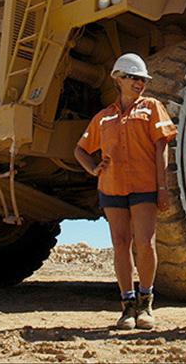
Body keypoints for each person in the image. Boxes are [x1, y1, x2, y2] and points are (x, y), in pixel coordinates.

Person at [74, 53, 177, 330]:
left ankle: (145, 302)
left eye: (142, 79)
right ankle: (127, 305)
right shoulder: (103, 118)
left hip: (144, 186)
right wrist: (94, 169)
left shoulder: (152, 108)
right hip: (112, 187)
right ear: (118, 79)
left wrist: (162, 187)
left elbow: (161, 147)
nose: (139, 83)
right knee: (121, 245)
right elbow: (80, 150)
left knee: (145, 243)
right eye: (133, 78)